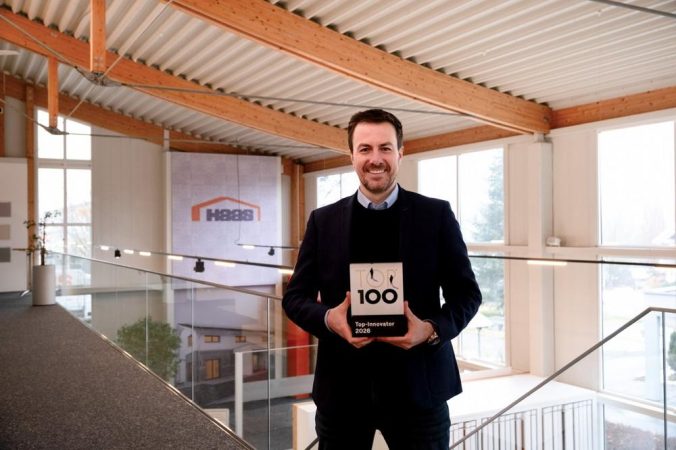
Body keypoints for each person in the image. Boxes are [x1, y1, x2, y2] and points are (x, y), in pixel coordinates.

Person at [283, 109, 482, 449]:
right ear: (352, 156)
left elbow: (467, 294)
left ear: (400, 154)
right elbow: (295, 297)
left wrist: (430, 329)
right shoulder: (323, 221)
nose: (376, 159)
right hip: (342, 393)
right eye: (365, 149)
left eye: (385, 148)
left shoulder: (436, 216)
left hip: (419, 392)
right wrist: (329, 319)